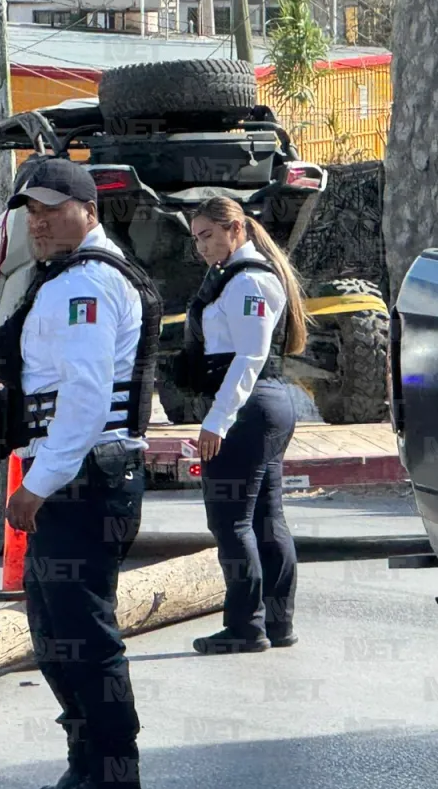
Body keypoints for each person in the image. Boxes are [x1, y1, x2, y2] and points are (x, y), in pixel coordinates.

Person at [0, 158, 162, 789]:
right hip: (85, 475)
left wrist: (36, 488)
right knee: (56, 630)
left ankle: (114, 773)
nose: (37, 223)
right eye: (30, 213)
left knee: (84, 637)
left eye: (49, 209)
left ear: (87, 209)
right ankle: (89, 762)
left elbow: (87, 400)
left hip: (83, 479)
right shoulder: (70, 275)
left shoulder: (84, 284)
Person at [174, 195, 308, 655]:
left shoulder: (248, 280)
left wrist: (217, 421)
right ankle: (276, 621)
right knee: (266, 519)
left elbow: (249, 357)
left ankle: (246, 626)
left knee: (231, 522)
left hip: (248, 408)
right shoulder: (231, 277)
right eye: (196, 239)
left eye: (208, 235)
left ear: (237, 229)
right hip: (259, 407)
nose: (201, 247)